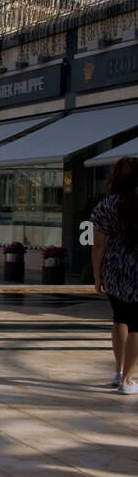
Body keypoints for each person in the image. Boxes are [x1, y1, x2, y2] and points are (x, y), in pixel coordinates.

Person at [91, 157, 138, 393]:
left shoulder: (106, 205)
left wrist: (97, 275)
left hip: (114, 267)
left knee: (120, 318)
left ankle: (119, 373)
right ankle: (129, 381)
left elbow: (99, 244)